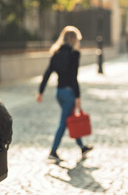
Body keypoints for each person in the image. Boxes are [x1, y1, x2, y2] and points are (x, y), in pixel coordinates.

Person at [35, 25, 92, 161]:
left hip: (59, 93)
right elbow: (73, 77)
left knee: (70, 118)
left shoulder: (56, 53)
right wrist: (78, 96)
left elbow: (47, 74)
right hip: (69, 94)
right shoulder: (74, 54)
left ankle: (82, 147)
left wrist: (40, 91)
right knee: (64, 122)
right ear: (74, 40)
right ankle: (53, 151)